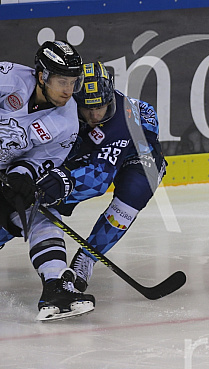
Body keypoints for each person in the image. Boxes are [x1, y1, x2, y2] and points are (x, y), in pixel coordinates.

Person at [0, 40, 96, 321]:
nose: (68, 90)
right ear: (41, 76)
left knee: (42, 212)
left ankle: (55, 287)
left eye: (73, 82)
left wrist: (21, 177)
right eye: (62, 81)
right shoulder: (8, 79)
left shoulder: (67, 122)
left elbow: (36, 161)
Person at [52, 61, 167, 293]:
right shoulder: (65, 105)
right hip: (92, 149)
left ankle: (87, 258)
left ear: (110, 99)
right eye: (87, 108)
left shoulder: (121, 121)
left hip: (137, 155)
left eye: (100, 108)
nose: (94, 115)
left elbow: (97, 181)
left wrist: (51, 186)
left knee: (134, 192)